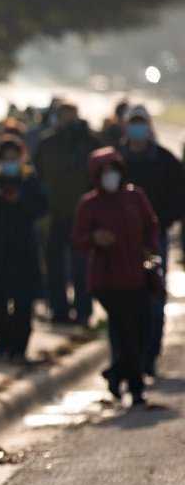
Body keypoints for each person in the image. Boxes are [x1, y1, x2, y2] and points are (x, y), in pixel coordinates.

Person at [71, 148, 159, 404]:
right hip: (107, 281)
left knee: (144, 332)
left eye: (114, 171)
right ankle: (136, 387)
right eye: (105, 172)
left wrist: (150, 247)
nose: (111, 176)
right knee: (127, 334)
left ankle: (115, 372)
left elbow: (151, 225)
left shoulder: (135, 197)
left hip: (137, 276)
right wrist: (95, 238)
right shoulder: (90, 204)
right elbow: (78, 239)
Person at [117, 105, 185, 378]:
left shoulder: (165, 160)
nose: (137, 128)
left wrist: (161, 222)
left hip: (154, 239)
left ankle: (149, 357)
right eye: (132, 123)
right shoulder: (115, 160)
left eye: (141, 122)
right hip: (121, 243)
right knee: (125, 302)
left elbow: (180, 195)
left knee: (154, 299)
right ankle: (127, 359)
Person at [0, 138, 48, 363]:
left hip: (23, 248)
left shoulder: (30, 181)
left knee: (23, 301)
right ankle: (1, 344)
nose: (9, 163)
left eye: (13, 158)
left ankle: (19, 348)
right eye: (5, 159)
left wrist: (19, 201)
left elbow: (40, 208)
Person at [33, 102, 101, 326]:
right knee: (54, 267)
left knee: (82, 268)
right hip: (54, 216)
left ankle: (83, 309)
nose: (68, 120)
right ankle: (59, 309)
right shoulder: (47, 143)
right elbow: (37, 175)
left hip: (83, 216)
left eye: (71, 116)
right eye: (64, 116)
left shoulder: (91, 142)